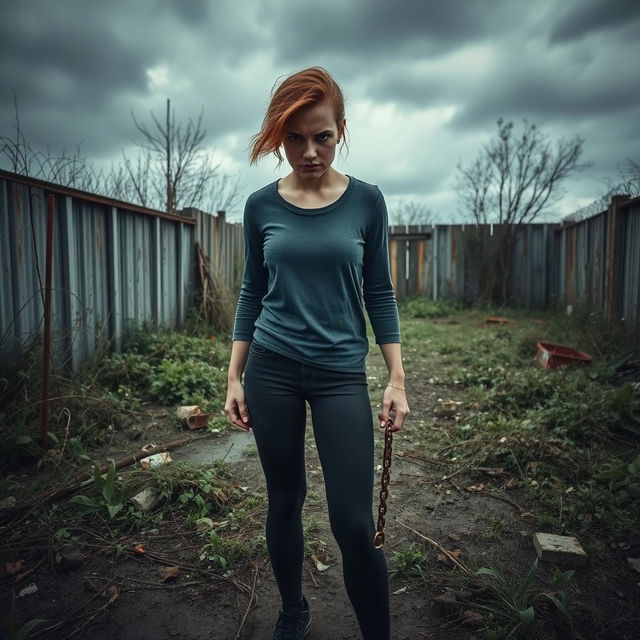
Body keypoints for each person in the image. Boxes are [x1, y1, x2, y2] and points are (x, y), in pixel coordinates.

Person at [224, 66, 410, 640]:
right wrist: (234, 375)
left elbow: (378, 290)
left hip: (339, 376)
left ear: (341, 130)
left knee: (353, 522)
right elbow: (253, 290)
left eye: (321, 136)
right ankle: (293, 609)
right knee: (284, 499)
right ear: (280, 137)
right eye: (295, 138)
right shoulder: (261, 207)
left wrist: (396, 377)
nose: (309, 151)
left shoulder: (366, 203)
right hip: (272, 369)